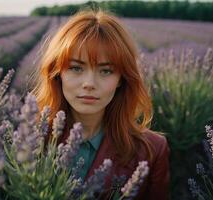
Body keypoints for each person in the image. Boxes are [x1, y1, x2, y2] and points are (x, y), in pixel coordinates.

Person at [32, 8, 170, 200]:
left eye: (105, 71)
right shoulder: (30, 140)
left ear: (121, 79)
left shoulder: (152, 150)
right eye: (75, 68)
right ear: (57, 74)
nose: (89, 83)